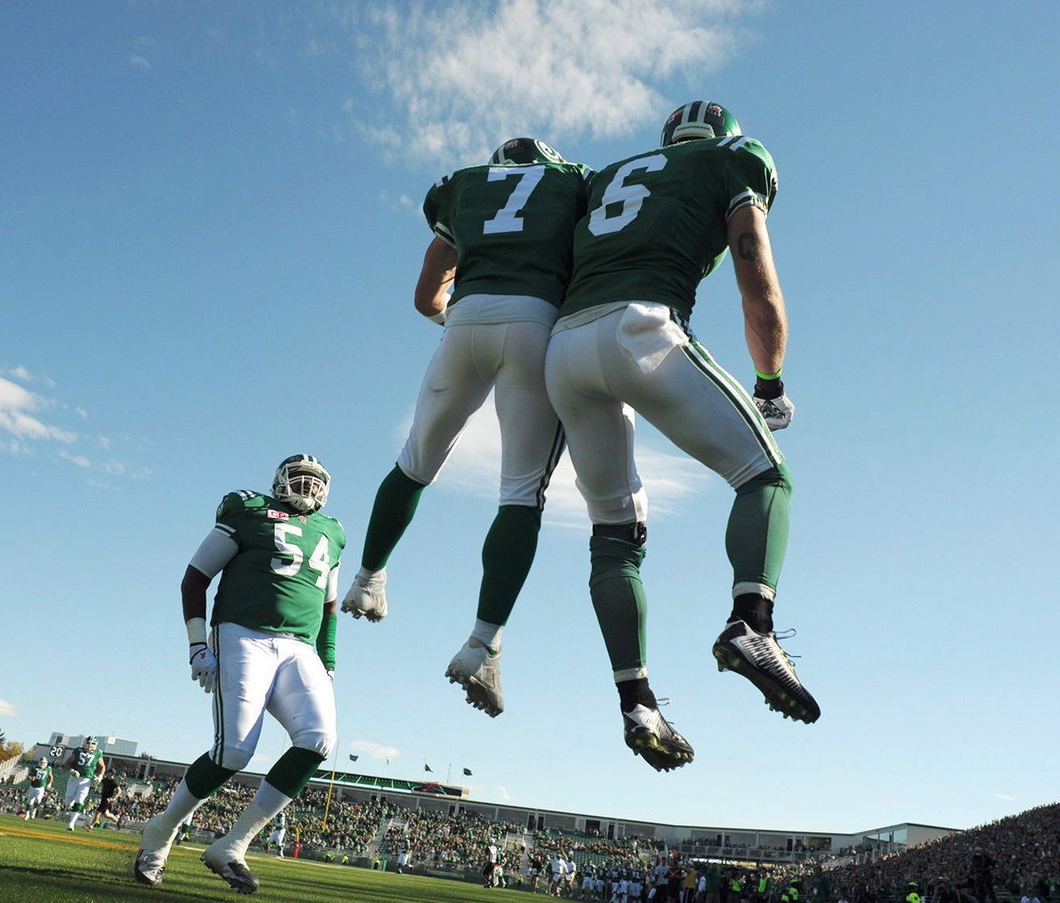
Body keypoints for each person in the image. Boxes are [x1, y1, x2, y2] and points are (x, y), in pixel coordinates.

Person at [543, 100, 817, 771]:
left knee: (616, 536)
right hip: (641, 324)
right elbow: (757, 276)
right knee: (766, 474)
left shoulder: (604, 175)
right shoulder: (733, 158)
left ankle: (637, 701)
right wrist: (771, 381)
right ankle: (751, 622)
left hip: (563, 349)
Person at [343, 138, 590, 719]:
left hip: (466, 321)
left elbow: (426, 290)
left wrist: (457, 321)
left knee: (415, 461)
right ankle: (483, 643)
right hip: (535, 321)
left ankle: (367, 578)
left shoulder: (466, 187)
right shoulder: (573, 181)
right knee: (521, 490)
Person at [133, 454, 346, 893]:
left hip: (300, 647)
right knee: (233, 752)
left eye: (314, 481)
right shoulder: (247, 510)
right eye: (299, 478)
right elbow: (195, 578)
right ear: (280, 480)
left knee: (319, 740)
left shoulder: (333, 532)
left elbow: (329, 607)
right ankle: (162, 830)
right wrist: (196, 644)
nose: (307, 487)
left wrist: (328, 660)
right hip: (242, 633)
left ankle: (233, 844)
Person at [64, 736, 106, 830]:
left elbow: (102, 767)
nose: (90, 745)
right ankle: (70, 806)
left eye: (92, 743)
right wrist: (72, 771)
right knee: (68, 800)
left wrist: (100, 776)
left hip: (86, 781)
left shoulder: (98, 753)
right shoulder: (78, 750)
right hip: (74, 778)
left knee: (80, 801)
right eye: (88, 743)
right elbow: (67, 764)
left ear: (96, 745)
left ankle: (71, 824)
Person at [21, 755, 53, 819]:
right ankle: (27, 814)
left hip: (41, 787)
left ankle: (34, 810)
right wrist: (30, 778)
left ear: (46, 763)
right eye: (41, 762)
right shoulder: (34, 768)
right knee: (30, 801)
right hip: (33, 786)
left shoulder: (48, 768)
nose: (42, 764)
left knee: (38, 800)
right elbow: (28, 777)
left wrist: (50, 783)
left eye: (43, 763)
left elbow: (51, 776)